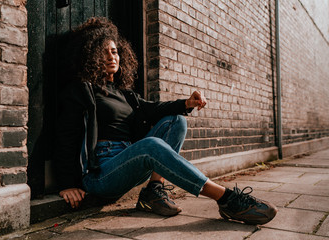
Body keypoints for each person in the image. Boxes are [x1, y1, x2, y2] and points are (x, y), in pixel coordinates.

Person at [54, 17, 277, 225]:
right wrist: (67, 184)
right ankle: (226, 198)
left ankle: (153, 190)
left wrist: (186, 104)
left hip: (128, 159)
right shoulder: (82, 91)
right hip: (100, 174)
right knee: (151, 146)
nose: (111, 57)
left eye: (114, 51)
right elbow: (65, 135)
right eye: (103, 52)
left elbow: (153, 109)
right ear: (90, 56)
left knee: (176, 121)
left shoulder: (124, 93)